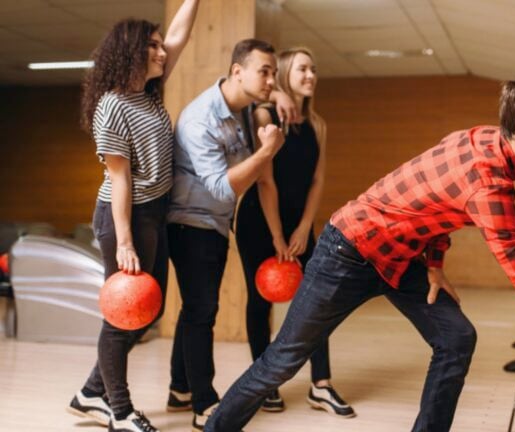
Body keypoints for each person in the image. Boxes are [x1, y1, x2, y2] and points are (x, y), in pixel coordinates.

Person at [205, 71, 515, 432]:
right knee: (283, 360)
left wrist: (434, 265)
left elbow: (434, 204)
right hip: (346, 251)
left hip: (401, 258)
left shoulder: (480, 138)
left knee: (456, 338)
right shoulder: (490, 185)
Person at [66, 2, 201, 432]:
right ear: (132, 51)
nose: (164, 51)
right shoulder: (112, 106)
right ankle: (119, 411)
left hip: (153, 213)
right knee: (122, 314)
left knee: (148, 311)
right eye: (154, 46)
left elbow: (180, 34)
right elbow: (119, 180)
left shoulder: (148, 93)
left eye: (161, 45)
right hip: (124, 215)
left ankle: (90, 392)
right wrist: (124, 241)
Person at [165, 38, 288, 431]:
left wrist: (274, 101)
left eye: (274, 73)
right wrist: (266, 152)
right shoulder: (202, 117)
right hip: (190, 225)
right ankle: (205, 404)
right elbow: (221, 188)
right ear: (238, 72)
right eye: (264, 72)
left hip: (213, 224)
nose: (271, 80)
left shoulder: (243, 107)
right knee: (203, 312)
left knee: (194, 309)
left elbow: (265, 100)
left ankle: (180, 389)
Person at [235, 47, 354, 418]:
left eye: (314, 69)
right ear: (286, 73)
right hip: (259, 222)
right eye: (303, 68)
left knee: (317, 302)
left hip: (300, 225)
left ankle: (321, 385)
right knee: (260, 303)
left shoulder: (317, 123)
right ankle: (263, 384)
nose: (311, 75)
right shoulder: (265, 114)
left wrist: (304, 226)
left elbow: (317, 180)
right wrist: (276, 236)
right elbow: (265, 180)